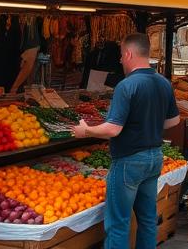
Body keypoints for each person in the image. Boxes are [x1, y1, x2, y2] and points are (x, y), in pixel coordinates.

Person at [71, 33, 179, 249]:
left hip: (128, 161)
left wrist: (86, 131)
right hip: (155, 158)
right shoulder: (163, 83)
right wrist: (149, 125)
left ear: (129, 54)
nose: (120, 60)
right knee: (148, 219)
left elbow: (113, 129)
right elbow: (173, 121)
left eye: (121, 55)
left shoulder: (126, 86)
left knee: (118, 223)